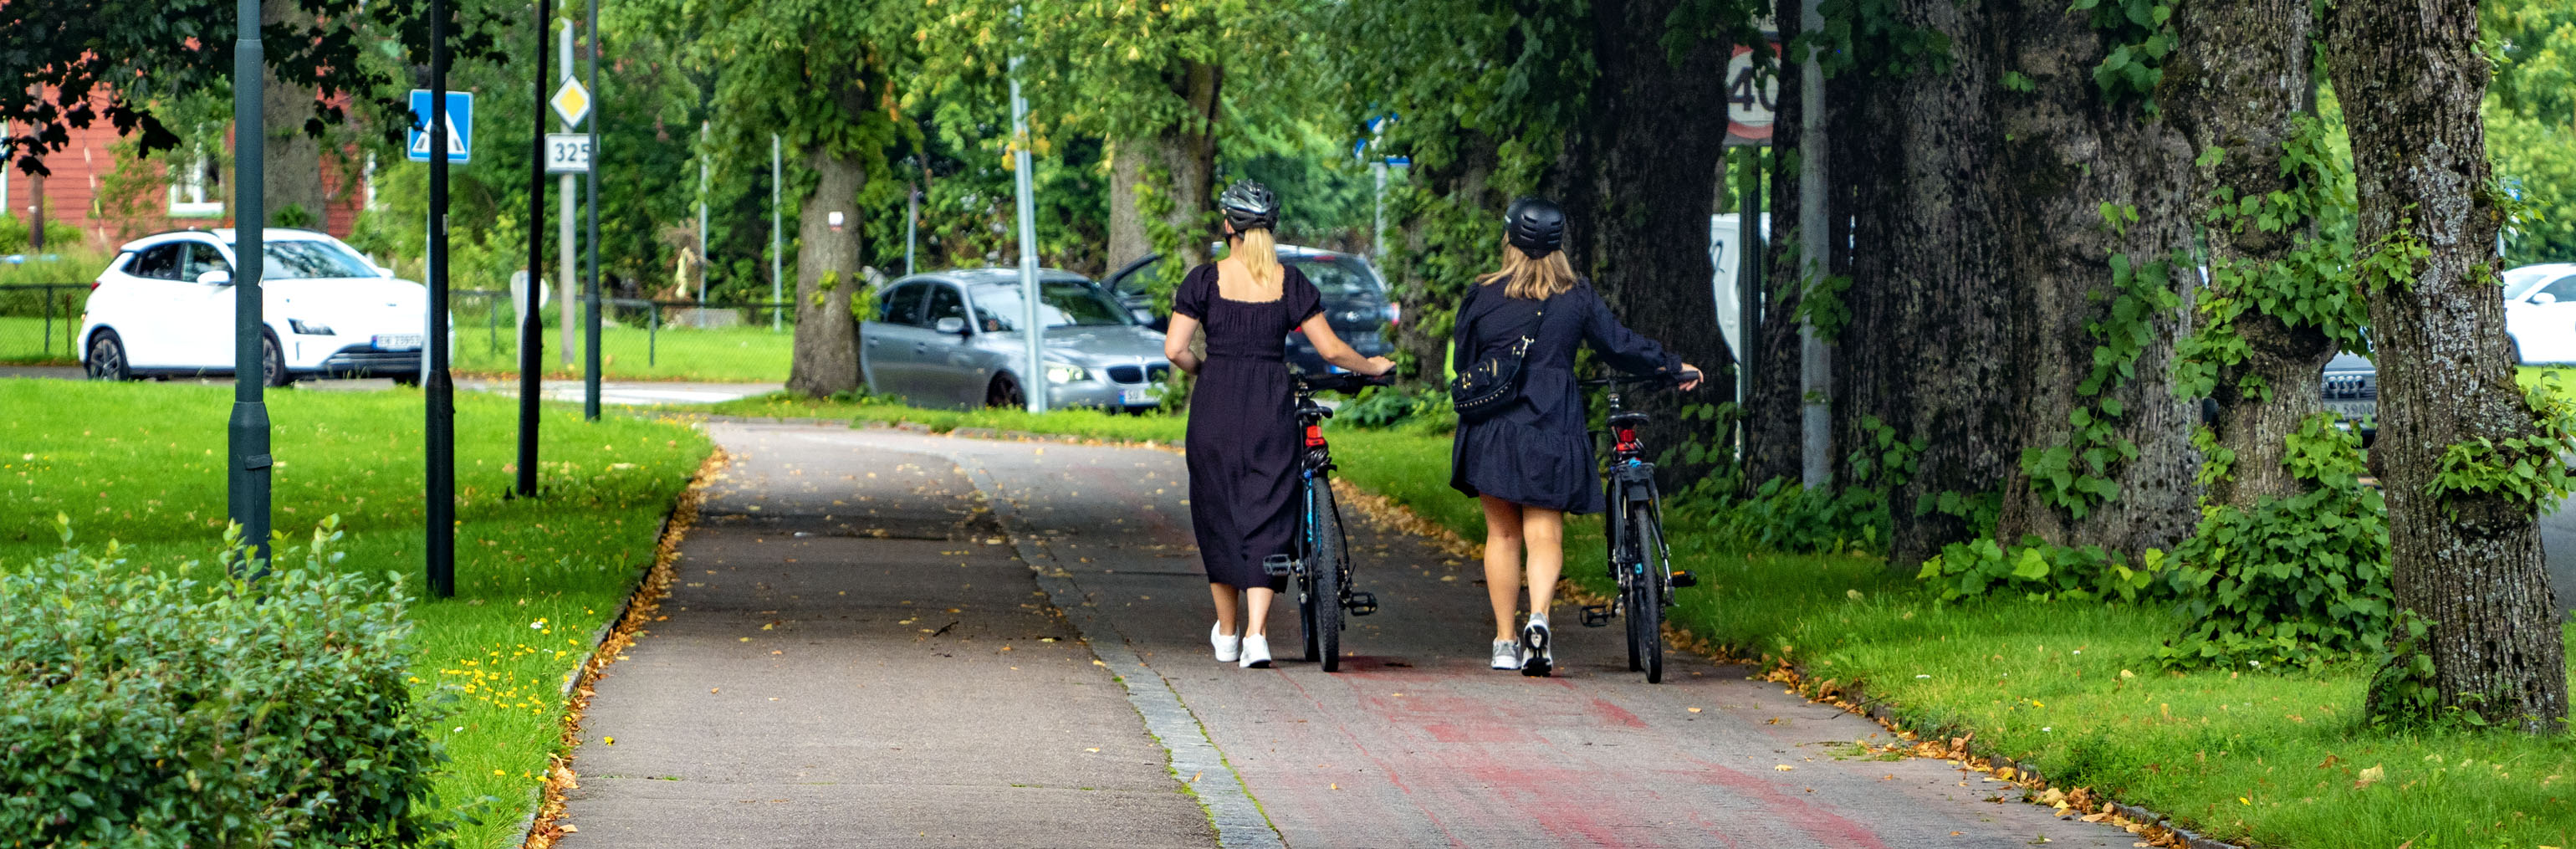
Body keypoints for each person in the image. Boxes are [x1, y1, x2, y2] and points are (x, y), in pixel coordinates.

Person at [1449, 197, 1700, 677]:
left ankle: (1504, 640)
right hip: (1551, 424)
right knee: (1544, 533)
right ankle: (1539, 619)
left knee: (1502, 535)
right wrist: (1671, 366)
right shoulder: (1575, 295)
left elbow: (1466, 366)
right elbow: (1619, 345)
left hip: (1494, 429)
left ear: (1509, 239)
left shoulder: (1482, 295)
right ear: (1560, 243)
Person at [1166, 180, 1397, 668]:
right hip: (1271, 403)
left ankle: (1226, 634)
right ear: (1270, 228)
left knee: (1219, 512)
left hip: (1216, 407)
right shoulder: (1290, 283)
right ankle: (1257, 636)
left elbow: (1175, 349)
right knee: (1268, 510)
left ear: (1228, 226)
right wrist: (1371, 367)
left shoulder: (1203, 282)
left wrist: (1205, 371)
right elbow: (1331, 349)